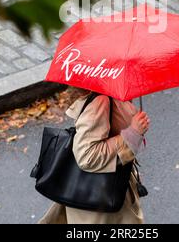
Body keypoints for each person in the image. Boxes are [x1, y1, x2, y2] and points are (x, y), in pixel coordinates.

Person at [39, 87, 150, 224]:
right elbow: (87, 156)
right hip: (101, 201)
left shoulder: (111, 95)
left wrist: (131, 173)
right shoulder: (101, 101)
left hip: (107, 190)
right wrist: (133, 133)